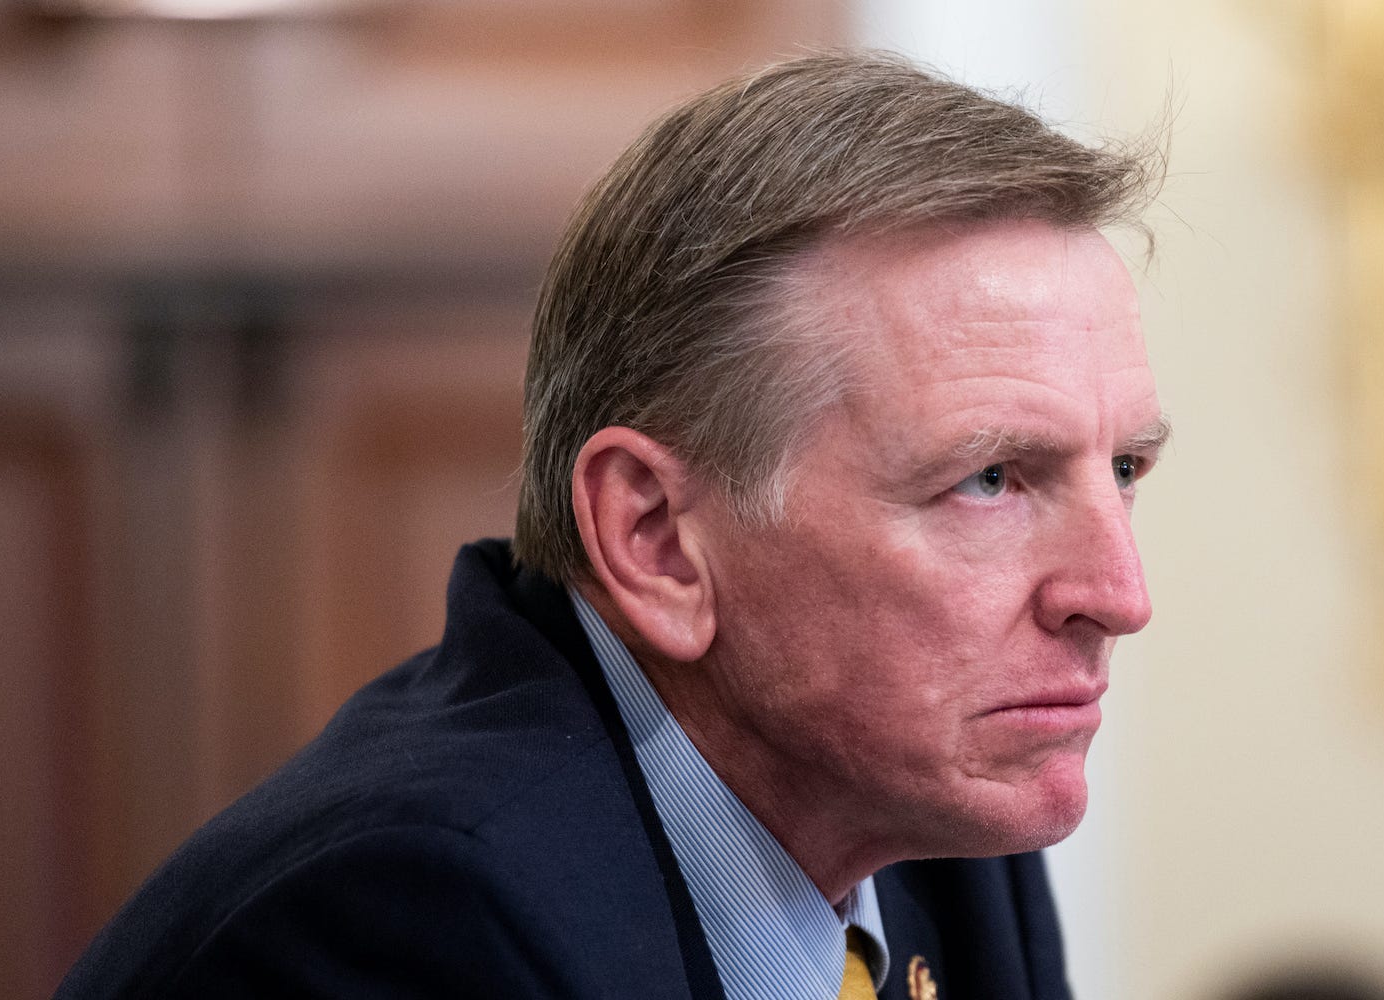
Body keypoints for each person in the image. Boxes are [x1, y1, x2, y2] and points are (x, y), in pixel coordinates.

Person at [59, 51, 1168, 1000]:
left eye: (1120, 467)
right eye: (988, 478)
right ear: (655, 540)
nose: (1117, 595)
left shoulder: (937, 829)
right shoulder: (411, 923)